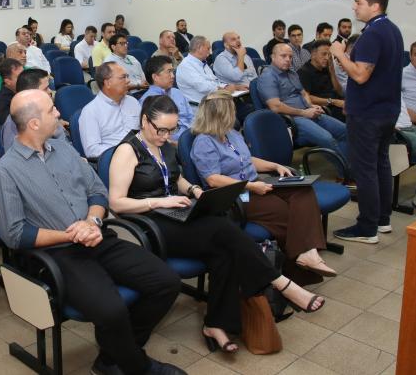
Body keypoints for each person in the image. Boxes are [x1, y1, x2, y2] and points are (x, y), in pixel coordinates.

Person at [0, 89, 186, 375]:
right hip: (58, 254)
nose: (59, 113)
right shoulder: (5, 171)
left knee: (167, 282)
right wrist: (73, 234)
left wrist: (92, 222)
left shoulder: (64, 149)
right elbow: (15, 234)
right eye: (51, 110)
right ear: (33, 123)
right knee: (111, 310)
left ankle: (112, 354)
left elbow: (97, 191)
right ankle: (137, 366)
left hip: (97, 236)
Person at [109, 96, 326, 353]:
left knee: (224, 251)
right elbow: (118, 203)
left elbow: (176, 179)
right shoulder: (127, 151)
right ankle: (281, 284)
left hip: (175, 212)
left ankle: (215, 324)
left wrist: (194, 190)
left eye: (172, 129)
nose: (166, 136)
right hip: (149, 223)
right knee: (223, 229)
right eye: (161, 130)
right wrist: (158, 203)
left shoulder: (165, 146)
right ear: (145, 121)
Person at [191, 91, 337, 280]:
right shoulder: (203, 142)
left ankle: (307, 253)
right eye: (231, 111)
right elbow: (213, 179)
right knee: (282, 209)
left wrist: (275, 166)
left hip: (255, 184)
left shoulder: (231, 134)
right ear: (220, 115)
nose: (234, 115)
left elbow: (247, 159)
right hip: (236, 196)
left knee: (303, 190)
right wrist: (250, 187)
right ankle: (298, 268)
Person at [329, 0, 404, 243]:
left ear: (375, 5)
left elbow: (360, 75)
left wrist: (339, 54)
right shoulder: (392, 29)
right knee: (380, 163)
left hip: (369, 114)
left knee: (365, 169)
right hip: (386, 110)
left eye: (358, 2)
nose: (354, 6)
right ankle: (382, 219)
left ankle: (367, 227)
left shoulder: (373, 33)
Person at [259, 44, 348, 165]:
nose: (288, 59)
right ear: (272, 57)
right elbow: (275, 107)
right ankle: (348, 174)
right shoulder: (268, 77)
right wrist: (304, 112)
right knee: (327, 138)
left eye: (290, 56)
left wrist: (310, 105)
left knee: (344, 131)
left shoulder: (292, 73)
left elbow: (303, 92)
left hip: (307, 111)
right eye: (283, 56)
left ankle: (348, 167)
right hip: (293, 119)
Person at [79, 62, 140, 159]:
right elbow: (92, 150)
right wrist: (123, 151)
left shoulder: (132, 102)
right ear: (108, 83)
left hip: (143, 155)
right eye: (123, 77)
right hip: (116, 161)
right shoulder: (90, 112)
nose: (128, 81)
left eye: (127, 76)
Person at [0, 68, 69, 148]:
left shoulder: (49, 111)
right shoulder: (14, 125)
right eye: (45, 89)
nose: (50, 91)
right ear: (32, 93)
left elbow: (65, 144)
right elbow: (17, 159)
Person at [175, 36, 246, 105]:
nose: (209, 52)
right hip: (202, 108)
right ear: (199, 48)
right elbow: (203, 87)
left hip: (214, 102)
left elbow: (215, 82)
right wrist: (225, 90)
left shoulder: (202, 63)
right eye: (208, 49)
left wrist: (234, 87)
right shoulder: (185, 66)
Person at [139, 56, 194, 142]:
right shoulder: (148, 101)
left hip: (190, 136)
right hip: (171, 143)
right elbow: (155, 133)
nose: (173, 76)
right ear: (155, 77)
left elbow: (191, 117)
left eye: (172, 71)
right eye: (169, 72)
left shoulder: (177, 92)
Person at [298, 41, 346, 122]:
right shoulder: (304, 72)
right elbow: (307, 97)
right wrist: (333, 102)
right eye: (324, 54)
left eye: (329, 55)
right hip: (325, 108)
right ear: (313, 54)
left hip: (337, 102)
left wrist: (332, 72)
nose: (327, 58)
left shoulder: (327, 68)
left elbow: (340, 92)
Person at [0, 58, 23, 127]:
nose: (24, 78)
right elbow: (12, 126)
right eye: (19, 77)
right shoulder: (1, 101)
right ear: (8, 81)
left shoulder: (24, 90)